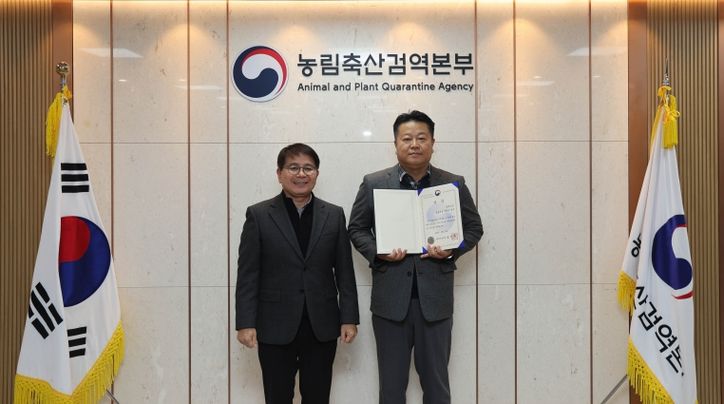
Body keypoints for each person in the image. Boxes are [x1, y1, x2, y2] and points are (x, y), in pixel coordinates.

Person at [348, 110, 483, 404]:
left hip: (435, 302)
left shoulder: (453, 183)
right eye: (407, 138)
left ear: (433, 143)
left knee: (436, 386)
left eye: (421, 138)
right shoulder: (374, 183)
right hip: (390, 303)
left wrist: (451, 251)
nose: (414, 144)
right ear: (395, 144)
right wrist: (379, 252)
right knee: (391, 388)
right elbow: (356, 229)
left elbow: (474, 228)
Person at [235, 143, 360, 404]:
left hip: (321, 325)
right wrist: (245, 322)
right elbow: (248, 274)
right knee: (277, 397)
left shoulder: (334, 215)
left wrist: (349, 318)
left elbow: (345, 272)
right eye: (293, 167)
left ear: (317, 174)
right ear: (279, 173)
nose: (301, 174)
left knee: (318, 397)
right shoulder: (259, 215)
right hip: (274, 324)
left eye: (308, 168)